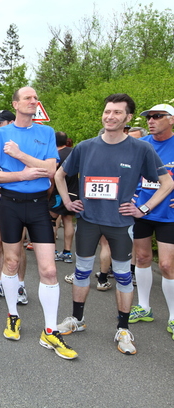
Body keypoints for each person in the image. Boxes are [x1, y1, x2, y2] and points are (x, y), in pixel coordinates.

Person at [55, 94, 173, 355]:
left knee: (122, 275)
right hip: (88, 221)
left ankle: (123, 329)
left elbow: (167, 183)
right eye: (107, 111)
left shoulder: (141, 148)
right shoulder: (85, 147)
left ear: (128, 117)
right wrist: (68, 201)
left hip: (120, 224)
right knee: (82, 271)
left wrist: (143, 208)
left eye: (117, 112)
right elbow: (59, 175)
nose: (110, 116)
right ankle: (77, 319)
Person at [0, 86, 78, 360]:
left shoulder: (46, 133)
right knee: (11, 262)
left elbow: (50, 170)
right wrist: (22, 175)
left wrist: (19, 156)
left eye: (36, 98)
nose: (34, 101)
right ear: (15, 104)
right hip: (10, 204)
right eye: (28, 98)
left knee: (49, 269)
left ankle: (50, 330)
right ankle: (13, 316)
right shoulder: (0, 134)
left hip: (38, 205)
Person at [127, 104, 174, 340]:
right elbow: (129, 173)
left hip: (169, 215)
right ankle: (144, 307)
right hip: (142, 213)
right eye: (148, 117)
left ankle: (173, 316)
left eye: (157, 116)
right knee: (143, 258)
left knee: (166, 265)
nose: (151, 121)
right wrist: (131, 196)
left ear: (171, 120)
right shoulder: (142, 144)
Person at [0, 110, 28, 306]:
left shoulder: (21, 142)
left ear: (10, 123)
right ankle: (0, 283)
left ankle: (20, 285)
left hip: (18, 200)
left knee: (17, 245)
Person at [50, 131, 78, 266]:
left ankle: (53, 251)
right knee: (68, 221)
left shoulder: (55, 155)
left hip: (58, 192)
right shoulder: (75, 153)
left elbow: (53, 176)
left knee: (51, 220)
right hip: (74, 192)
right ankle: (67, 252)